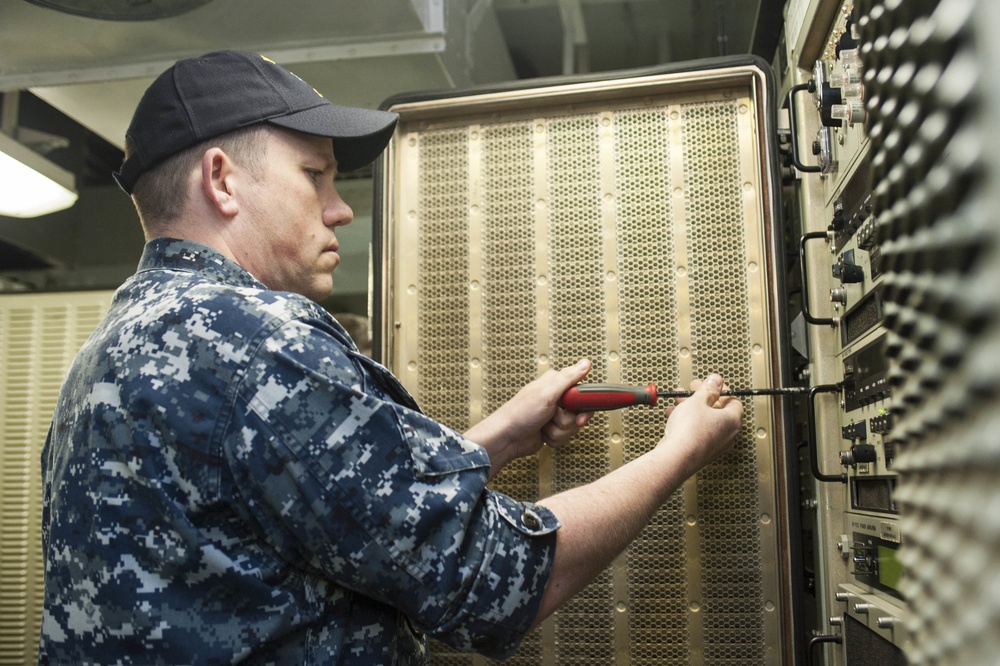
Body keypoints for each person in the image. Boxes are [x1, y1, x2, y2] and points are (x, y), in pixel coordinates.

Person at [38, 50, 743, 665]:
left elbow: (320, 514)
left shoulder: (107, 355)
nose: (340, 208)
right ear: (222, 181)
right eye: (315, 174)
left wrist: (500, 437)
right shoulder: (262, 346)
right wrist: (676, 453)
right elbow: (494, 580)